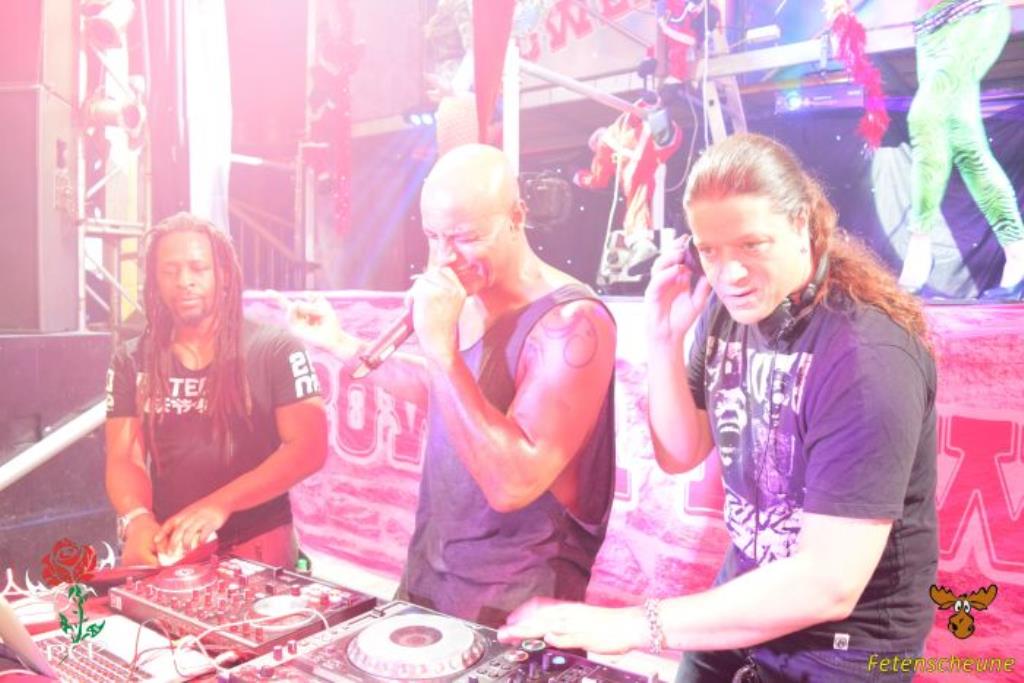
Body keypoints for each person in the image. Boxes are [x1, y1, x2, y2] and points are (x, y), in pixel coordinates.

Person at [500, 133, 938, 683]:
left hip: (848, 643)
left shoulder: (868, 357)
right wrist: (663, 338)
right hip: (749, 593)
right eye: (710, 251)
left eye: (752, 245)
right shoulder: (729, 313)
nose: (730, 275)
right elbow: (681, 452)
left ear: (802, 224)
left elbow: (829, 583)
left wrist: (633, 624)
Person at [289, 144, 617, 628]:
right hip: (430, 572)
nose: (444, 258)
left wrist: (440, 347)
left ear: (517, 217)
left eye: (465, 237)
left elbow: (514, 483)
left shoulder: (571, 321)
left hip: (515, 595)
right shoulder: (467, 296)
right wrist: (340, 343)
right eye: (433, 237)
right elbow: (444, 392)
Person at [105, 212, 328, 568]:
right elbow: (124, 457)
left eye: (198, 268)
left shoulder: (274, 348)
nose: (184, 281)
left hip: (258, 539)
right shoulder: (132, 358)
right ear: (155, 281)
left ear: (223, 275)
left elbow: (309, 448)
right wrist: (138, 518)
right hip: (172, 542)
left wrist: (219, 504)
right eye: (170, 271)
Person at [900, 0, 1024, 299]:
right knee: (967, 147)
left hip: (973, 12)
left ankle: (919, 245)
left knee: (924, 116)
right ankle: (1018, 254)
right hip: (929, 30)